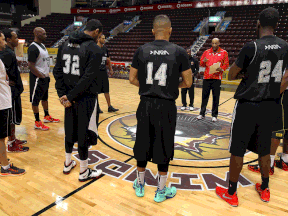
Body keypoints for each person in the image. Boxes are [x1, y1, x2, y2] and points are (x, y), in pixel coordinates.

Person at [216, 7, 288, 207]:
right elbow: (286, 77)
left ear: (258, 24)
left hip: (248, 105)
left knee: (237, 149)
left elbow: (231, 74)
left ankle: (231, 192)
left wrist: (244, 73)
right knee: (264, 150)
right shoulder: (285, 46)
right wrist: (274, 93)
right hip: (270, 105)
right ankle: (265, 188)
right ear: (276, 25)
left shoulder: (251, 46)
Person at [129, 14, 192, 203]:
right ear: (170, 30)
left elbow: (132, 78)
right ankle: (160, 191)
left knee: (142, 143)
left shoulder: (142, 50)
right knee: (164, 146)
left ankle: (140, 185)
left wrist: (149, 88)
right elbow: (188, 82)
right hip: (166, 106)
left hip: (146, 103)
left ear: (153, 31)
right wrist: (171, 87)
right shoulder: (179, 51)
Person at [53, 19, 103, 182]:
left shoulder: (65, 44)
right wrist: (71, 96)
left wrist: (63, 96)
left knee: (69, 129)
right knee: (84, 133)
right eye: (100, 34)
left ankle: (68, 163)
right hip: (84, 97)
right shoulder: (94, 49)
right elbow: (88, 78)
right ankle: (83, 171)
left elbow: (57, 71)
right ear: (96, 32)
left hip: (68, 98)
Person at [0, 30, 25, 176]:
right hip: (2, 101)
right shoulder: (6, 55)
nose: (4, 42)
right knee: (1, 137)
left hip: (4, 99)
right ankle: (5, 167)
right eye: (2, 39)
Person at [248, 87, 288, 174]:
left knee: (276, 130)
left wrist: (272, 94)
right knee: (286, 128)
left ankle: (268, 165)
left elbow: (285, 77)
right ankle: (285, 160)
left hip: (283, 93)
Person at [28, 27, 59, 131]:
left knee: (45, 98)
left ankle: (46, 116)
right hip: (37, 78)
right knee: (35, 100)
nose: (46, 36)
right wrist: (40, 76)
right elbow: (31, 65)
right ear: (37, 34)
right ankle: (37, 122)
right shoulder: (33, 47)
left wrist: (46, 76)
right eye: (44, 34)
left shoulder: (43, 46)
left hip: (45, 77)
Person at [197, 38, 229, 122]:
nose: (214, 45)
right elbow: (201, 64)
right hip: (207, 78)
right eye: (213, 43)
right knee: (204, 97)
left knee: (216, 97)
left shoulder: (224, 52)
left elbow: (226, 64)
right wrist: (203, 61)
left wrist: (221, 68)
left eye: (216, 43)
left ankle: (214, 115)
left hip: (217, 78)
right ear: (211, 43)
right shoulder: (206, 52)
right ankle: (202, 114)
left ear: (219, 43)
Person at [96, 34, 119, 113]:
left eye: (104, 38)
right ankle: (97, 107)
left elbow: (108, 60)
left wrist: (111, 69)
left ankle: (109, 106)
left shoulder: (105, 48)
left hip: (103, 71)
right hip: (96, 72)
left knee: (106, 89)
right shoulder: (95, 48)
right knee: (96, 91)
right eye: (103, 38)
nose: (104, 40)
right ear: (98, 39)